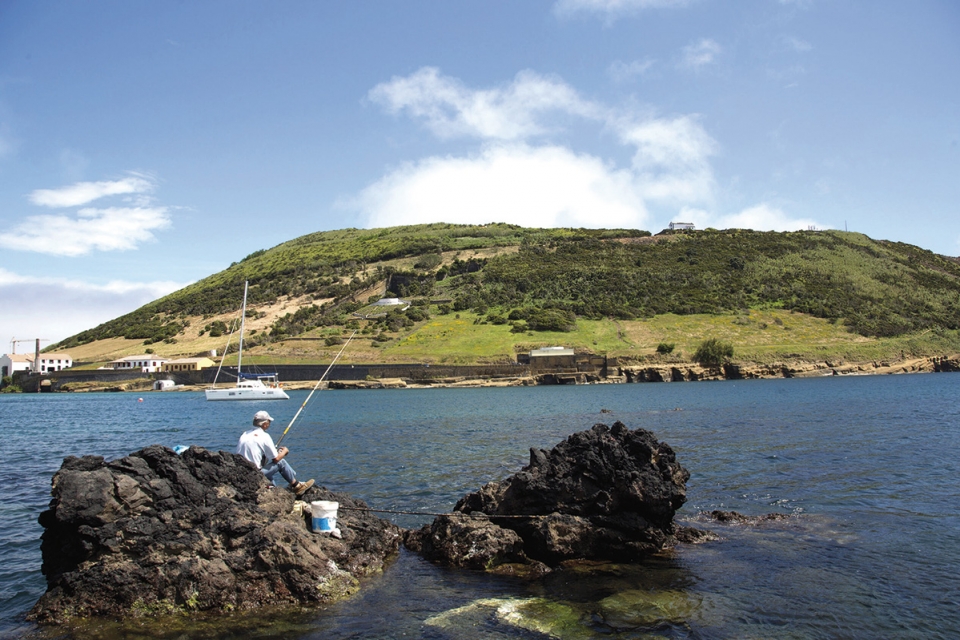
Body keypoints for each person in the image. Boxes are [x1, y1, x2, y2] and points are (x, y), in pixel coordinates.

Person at [237, 410, 314, 496]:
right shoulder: (264, 436)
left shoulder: (245, 434)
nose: (269, 424)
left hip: (241, 473)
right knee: (281, 462)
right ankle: (297, 485)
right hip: (255, 474)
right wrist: (285, 451)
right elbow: (276, 459)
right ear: (265, 424)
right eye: (269, 422)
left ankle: (273, 490)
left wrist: (275, 452)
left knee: (269, 477)